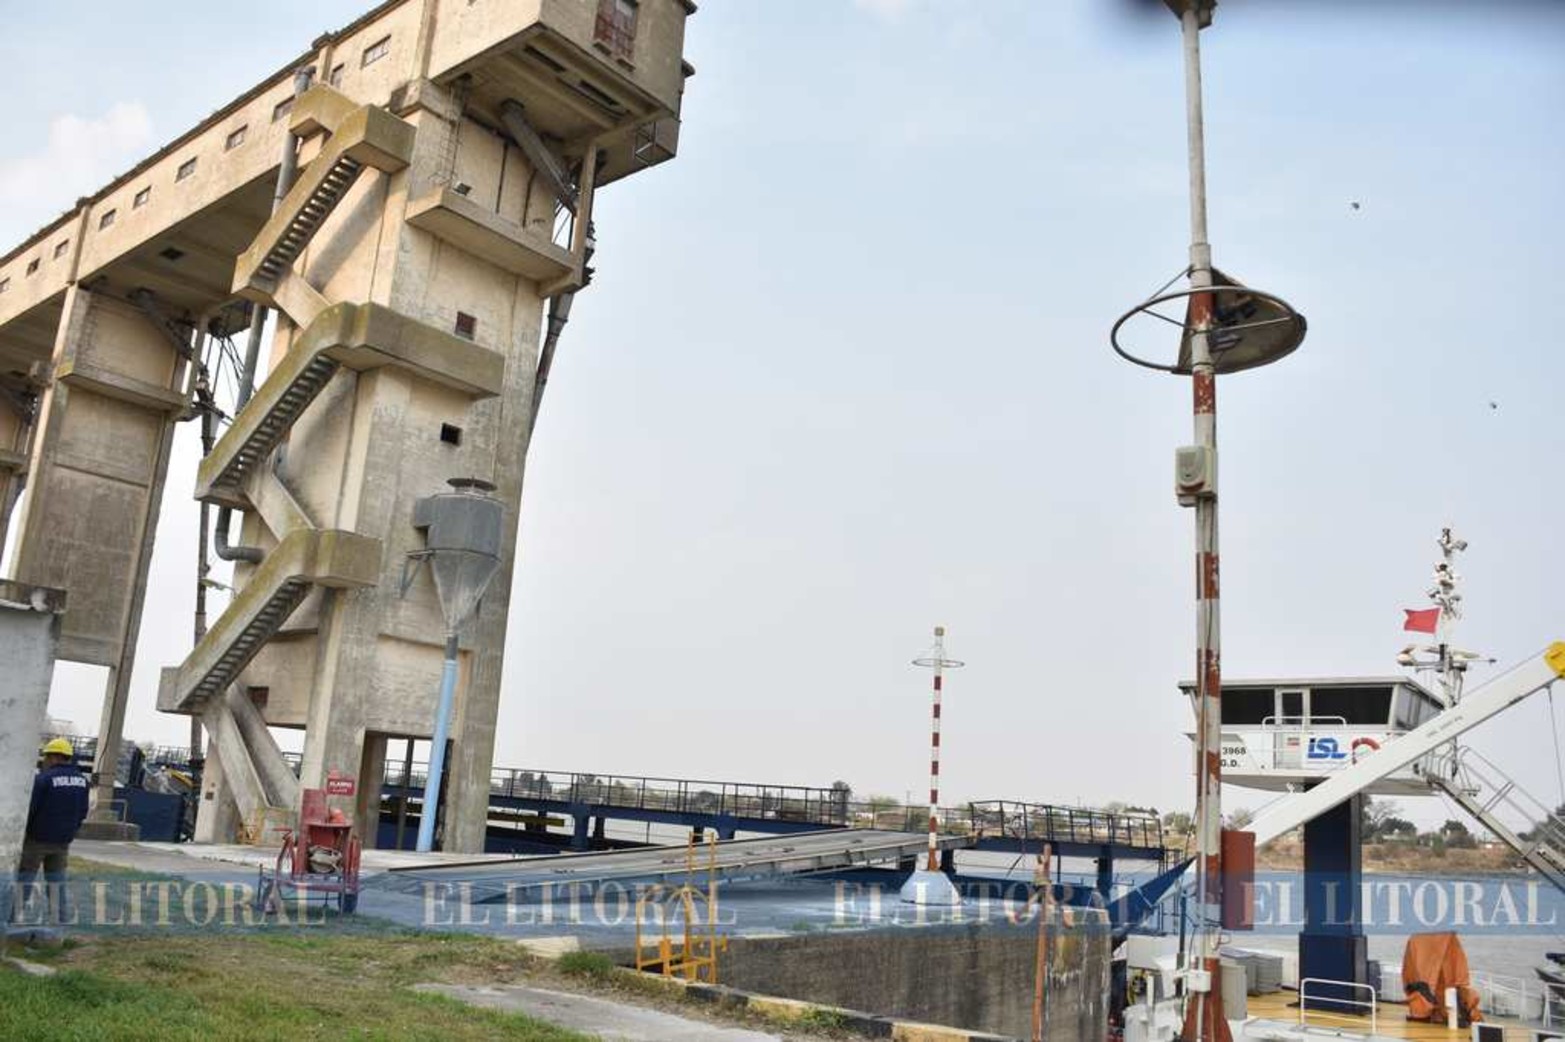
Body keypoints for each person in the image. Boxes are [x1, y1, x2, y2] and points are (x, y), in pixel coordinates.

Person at [14, 737, 90, 925]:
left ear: (54, 757)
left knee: (24, 881)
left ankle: (10, 919)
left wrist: (25, 831)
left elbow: (31, 809)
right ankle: (59, 921)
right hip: (63, 841)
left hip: (37, 839)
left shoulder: (43, 779)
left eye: (46, 757)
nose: (45, 761)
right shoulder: (82, 781)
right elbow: (83, 811)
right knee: (57, 882)